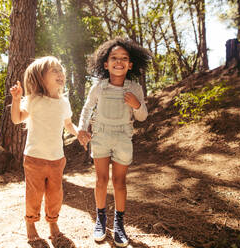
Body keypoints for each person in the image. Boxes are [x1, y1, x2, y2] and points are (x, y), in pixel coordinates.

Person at [77, 37, 150, 247]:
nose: (119, 61)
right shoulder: (99, 87)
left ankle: (119, 223)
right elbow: (87, 108)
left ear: (131, 64)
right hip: (100, 135)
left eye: (124, 58)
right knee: (101, 180)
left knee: (119, 182)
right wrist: (82, 128)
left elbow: (142, 116)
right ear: (106, 64)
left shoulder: (135, 88)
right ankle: (100, 219)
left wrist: (137, 105)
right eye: (114, 58)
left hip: (123, 138)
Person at [10, 56, 80, 241]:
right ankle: (30, 223)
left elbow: (68, 124)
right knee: (34, 195)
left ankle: (53, 222)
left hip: (57, 158)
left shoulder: (64, 102)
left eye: (61, 70)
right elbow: (17, 119)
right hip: (34, 158)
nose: (60, 73)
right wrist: (17, 99)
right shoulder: (34, 100)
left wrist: (79, 133)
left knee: (55, 194)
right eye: (54, 70)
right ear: (41, 77)